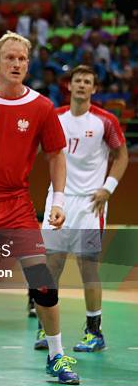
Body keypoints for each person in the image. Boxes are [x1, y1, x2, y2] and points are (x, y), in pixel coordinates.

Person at [0, 31, 80, 384]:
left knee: (43, 284)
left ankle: (56, 356)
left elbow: (56, 155)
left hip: (17, 206)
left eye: (22, 59)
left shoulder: (41, 107)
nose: (16, 64)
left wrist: (58, 201)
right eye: (9, 58)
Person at [37, 65, 128, 352]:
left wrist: (107, 188)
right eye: (77, 81)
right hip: (59, 199)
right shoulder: (55, 117)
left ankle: (94, 332)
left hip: (91, 203)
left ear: (94, 88)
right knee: (50, 266)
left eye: (87, 82)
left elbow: (122, 155)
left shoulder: (106, 121)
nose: (81, 85)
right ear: (70, 85)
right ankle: (46, 330)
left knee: (88, 268)